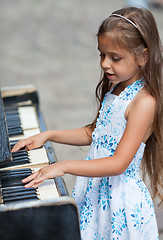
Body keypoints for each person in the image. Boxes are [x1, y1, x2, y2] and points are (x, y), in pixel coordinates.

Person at [12, 7, 163, 240]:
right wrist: (49, 135)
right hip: (96, 192)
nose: (104, 64)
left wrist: (64, 166)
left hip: (119, 203)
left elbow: (118, 163)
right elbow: (96, 133)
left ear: (143, 56)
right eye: (101, 55)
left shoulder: (143, 103)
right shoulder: (116, 87)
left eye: (115, 58)